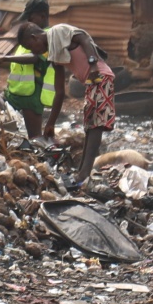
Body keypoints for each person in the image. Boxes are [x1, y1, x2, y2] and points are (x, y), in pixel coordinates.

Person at [47, 21, 116, 188]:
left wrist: (92, 65)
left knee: (96, 124)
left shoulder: (57, 32)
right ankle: (82, 172)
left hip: (99, 76)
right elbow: (60, 92)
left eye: (29, 44)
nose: (32, 49)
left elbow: (84, 39)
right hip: (90, 82)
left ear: (34, 38)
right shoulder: (53, 52)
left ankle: (84, 174)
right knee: (89, 126)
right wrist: (50, 122)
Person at [0, 0, 60, 140]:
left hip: (32, 94)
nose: (28, 22)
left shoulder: (48, 38)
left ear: (43, 16)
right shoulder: (30, 36)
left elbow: (36, 58)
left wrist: (5, 58)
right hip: (16, 92)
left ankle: (44, 160)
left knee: (35, 137)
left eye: (31, 18)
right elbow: (19, 63)